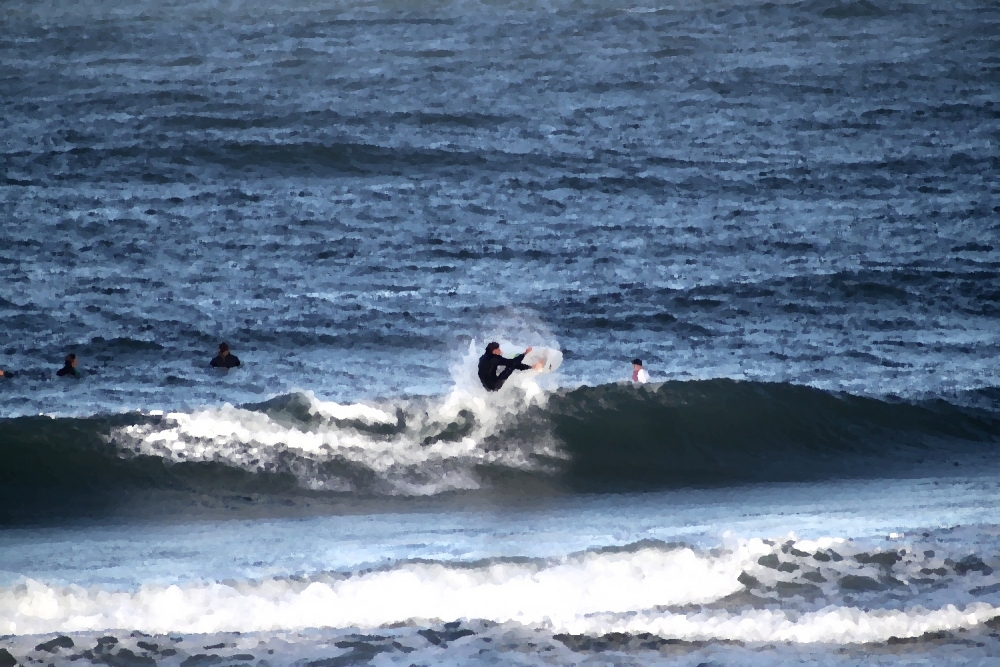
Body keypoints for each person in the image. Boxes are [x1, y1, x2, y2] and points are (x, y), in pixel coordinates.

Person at [478, 342, 543, 392]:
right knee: (512, 365)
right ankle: (534, 367)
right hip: (494, 386)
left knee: (496, 367)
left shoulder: (483, 357)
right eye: (498, 349)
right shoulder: (495, 360)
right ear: (494, 351)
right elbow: (513, 363)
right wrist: (525, 353)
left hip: (485, 385)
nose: (500, 350)